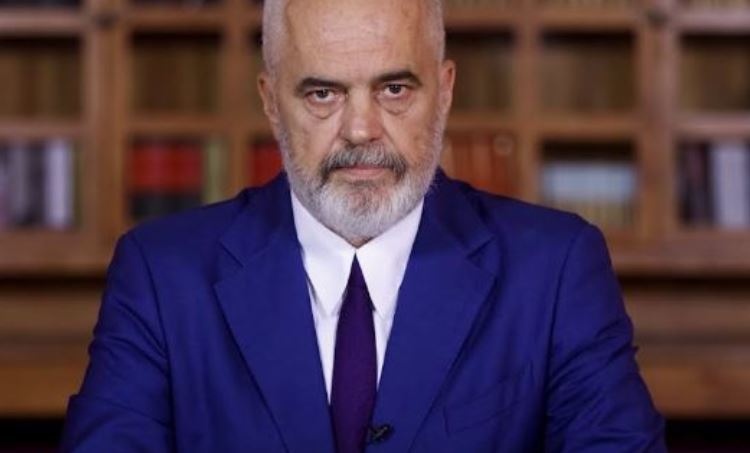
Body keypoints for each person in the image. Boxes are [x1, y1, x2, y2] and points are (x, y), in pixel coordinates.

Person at [61, 0, 666, 451]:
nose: (360, 130)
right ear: (271, 102)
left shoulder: (556, 270)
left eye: (394, 88)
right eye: (323, 94)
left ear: (444, 91)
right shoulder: (161, 276)